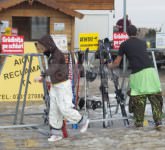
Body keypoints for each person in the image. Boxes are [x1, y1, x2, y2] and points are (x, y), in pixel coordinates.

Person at [34, 35, 89, 142]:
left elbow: (54, 68)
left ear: (48, 45)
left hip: (63, 85)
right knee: (54, 109)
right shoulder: (51, 54)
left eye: (42, 47)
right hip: (56, 85)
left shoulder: (57, 55)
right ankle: (56, 133)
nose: (41, 49)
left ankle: (83, 121)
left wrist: (43, 75)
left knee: (65, 108)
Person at [107, 25, 163, 128]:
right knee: (155, 99)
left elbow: (116, 63)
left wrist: (109, 65)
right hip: (151, 72)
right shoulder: (143, 43)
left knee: (139, 102)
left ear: (127, 33)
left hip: (138, 74)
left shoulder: (124, 45)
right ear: (136, 33)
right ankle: (158, 123)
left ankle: (138, 126)